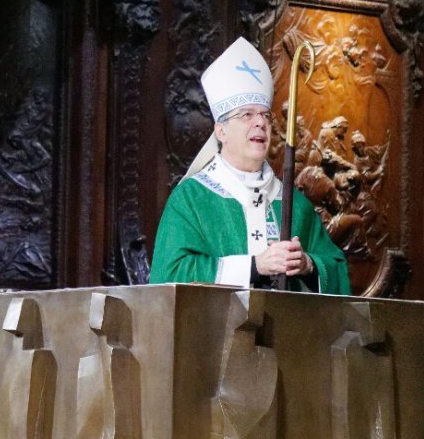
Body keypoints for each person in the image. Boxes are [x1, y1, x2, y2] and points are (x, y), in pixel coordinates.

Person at [149, 37, 349, 292]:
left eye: (265, 115)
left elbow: (338, 269)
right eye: (246, 114)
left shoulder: (293, 203)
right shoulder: (190, 199)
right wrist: (255, 267)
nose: (260, 123)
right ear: (220, 131)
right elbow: (169, 275)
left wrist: (309, 265)